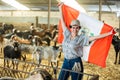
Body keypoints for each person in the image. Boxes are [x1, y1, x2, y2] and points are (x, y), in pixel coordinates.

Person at [58, 2, 114, 80]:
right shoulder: (67, 34)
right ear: (70, 28)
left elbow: (95, 37)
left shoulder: (81, 38)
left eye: (77, 28)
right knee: (60, 79)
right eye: (73, 27)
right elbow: (63, 22)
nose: (75, 29)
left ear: (79, 28)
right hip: (65, 62)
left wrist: (109, 33)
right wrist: (60, 8)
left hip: (76, 63)